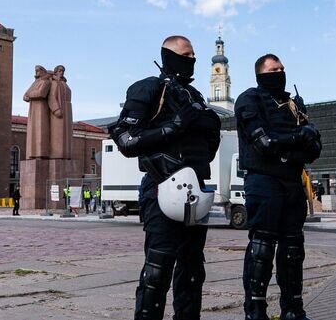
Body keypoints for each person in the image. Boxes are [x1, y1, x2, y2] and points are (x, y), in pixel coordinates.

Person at [112, 35, 221, 320]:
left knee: (193, 269)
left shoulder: (194, 97)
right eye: (187, 54)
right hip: (161, 187)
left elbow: (207, 148)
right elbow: (126, 140)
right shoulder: (149, 88)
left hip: (195, 190)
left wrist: (208, 124)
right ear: (168, 55)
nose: (192, 58)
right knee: (158, 268)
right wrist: (173, 126)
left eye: (194, 54)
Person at [235, 53, 321, 320]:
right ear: (261, 73)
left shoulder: (293, 104)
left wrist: (290, 145)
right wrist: (298, 138)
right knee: (261, 248)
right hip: (263, 180)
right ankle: (255, 311)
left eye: (282, 68)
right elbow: (264, 144)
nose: (280, 71)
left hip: (292, 182)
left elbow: (314, 149)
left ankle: (293, 310)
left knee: (293, 250)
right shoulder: (250, 98)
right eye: (274, 69)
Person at [23, 65, 51, 159]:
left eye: (38, 71)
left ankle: (40, 153)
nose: (36, 73)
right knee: (33, 131)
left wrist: (29, 95)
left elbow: (41, 93)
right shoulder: (35, 83)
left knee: (40, 130)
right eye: (36, 71)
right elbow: (24, 96)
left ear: (43, 72)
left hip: (41, 109)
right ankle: (32, 154)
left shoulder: (46, 82)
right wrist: (29, 95)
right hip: (33, 109)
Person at [48, 65, 73, 159]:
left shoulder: (64, 83)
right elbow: (51, 97)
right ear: (55, 72)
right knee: (58, 133)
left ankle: (66, 155)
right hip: (59, 110)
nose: (61, 72)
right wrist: (56, 109)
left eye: (62, 71)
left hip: (67, 109)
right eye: (59, 71)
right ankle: (57, 155)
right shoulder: (55, 83)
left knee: (66, 134)